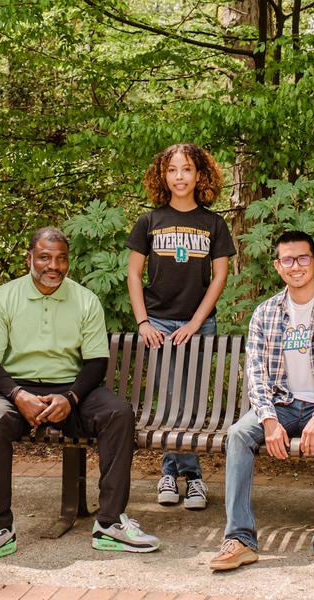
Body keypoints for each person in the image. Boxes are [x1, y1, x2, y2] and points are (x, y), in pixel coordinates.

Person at [0, 227, 161, 563]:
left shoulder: (85, 300)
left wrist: (70, 398)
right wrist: (17, 394)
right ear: (29, 258)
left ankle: (110, 524)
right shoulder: (3, 298)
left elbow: (96, 362)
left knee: (118, 413)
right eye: (44, 257)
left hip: (71, 391)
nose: (52, 265)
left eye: (60, 259)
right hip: (15, 389)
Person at [209, 231, 314, 582]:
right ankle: (239, 539)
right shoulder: (265, 313)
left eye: (303, 258)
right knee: (237, 434)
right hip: (280, 405)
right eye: (288, 260)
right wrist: (267, 419)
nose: (296, 266)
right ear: (278, 267)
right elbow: (256, 374)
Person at [126, 142, 236, 511]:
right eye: (172, 170)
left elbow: (219, 278)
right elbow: (133, 274)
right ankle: (191, 477)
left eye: (187, 169)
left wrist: (196, 322)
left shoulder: (213, 223)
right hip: (157, 321)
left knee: (189, 402)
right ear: (163, 175)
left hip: (198, 324)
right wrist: (143, 321)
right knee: (171, 401)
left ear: (200, 175)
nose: (179, 177)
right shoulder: (149, 221)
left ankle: (173, 474)